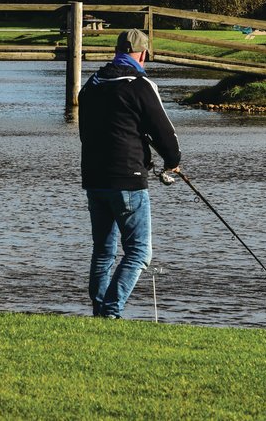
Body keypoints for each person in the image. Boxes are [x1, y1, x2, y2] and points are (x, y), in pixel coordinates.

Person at [78, 29, 181, 319]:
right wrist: (172, 161)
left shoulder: (91, 85)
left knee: (103, 253)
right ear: (143, 54)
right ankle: (111, 311)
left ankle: (100, 313)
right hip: (128, 180)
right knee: (138, 253)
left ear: (116, 51)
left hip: (94, 179)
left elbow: (89, 133)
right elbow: (164, 132)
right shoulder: (140, 85)